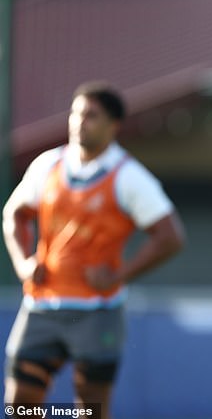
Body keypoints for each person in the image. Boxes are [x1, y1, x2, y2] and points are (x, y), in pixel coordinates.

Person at [2, 81, 186, 418]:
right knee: (20, 406)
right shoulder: (49, 165)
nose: (78, 122)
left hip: (97, 311)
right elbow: (13, 214)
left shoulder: (128, 176)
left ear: (113, 125)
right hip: (42, 304)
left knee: (91, 410)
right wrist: (22, 261)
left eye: (91, 115)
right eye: (75, 113)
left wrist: (120, 274)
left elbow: (170, 236)